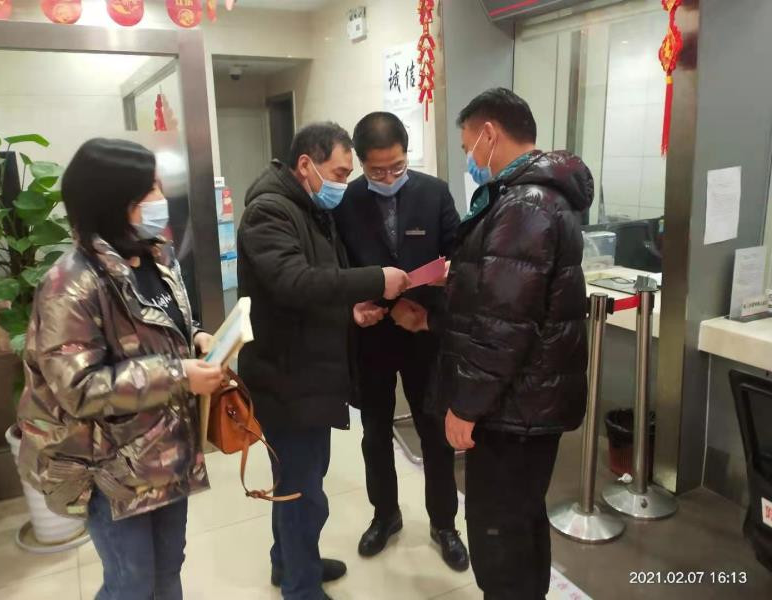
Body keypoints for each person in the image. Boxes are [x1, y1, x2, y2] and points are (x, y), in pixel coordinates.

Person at [393, 88, 593, 599]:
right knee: (522, 522)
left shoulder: (524, 204)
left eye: (467, 147)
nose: (470, 159)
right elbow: (509, 300)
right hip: (529, 399)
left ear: (489, 133)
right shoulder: (539, 197)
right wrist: (449, 296)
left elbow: (505, 325)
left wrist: (466, 407)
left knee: (498, 534)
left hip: (512, 408)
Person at [17, 138, 224, 600]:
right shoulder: (70, 284)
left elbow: (165, 322)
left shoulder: (156, 255)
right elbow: (80, 387)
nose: (160, 198)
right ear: (115, 202)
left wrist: (196, 337)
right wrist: (179, 375)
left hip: (167, 452)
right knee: (131, 583)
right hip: (109, 467)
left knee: (169, 568)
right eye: (150, 190)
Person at [236, 122, 410, 600]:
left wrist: (350, 311)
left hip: (308, 374)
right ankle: (301, 588)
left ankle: (290, 563)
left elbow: (314, 286)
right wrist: (375, 280)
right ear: (305, 165)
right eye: (338, 173)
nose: (343, 184)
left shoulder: (309, 208)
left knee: (296, 483)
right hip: (286, 378)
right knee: (303, 493)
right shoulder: (269, 212)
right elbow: (293, 282)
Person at [332, 112, 468, 570]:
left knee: (434, 430)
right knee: (375, 432)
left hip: (423, 332)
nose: (389, 178)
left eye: (397, 167)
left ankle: (444, 524)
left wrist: (439, 295)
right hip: (371, 332)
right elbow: (337, 268)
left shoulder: (434, 193)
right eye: (378, 171)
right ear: (361, 163)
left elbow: (459, 254)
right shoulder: (346, 201)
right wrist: (357, 305)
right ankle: (385, 515)